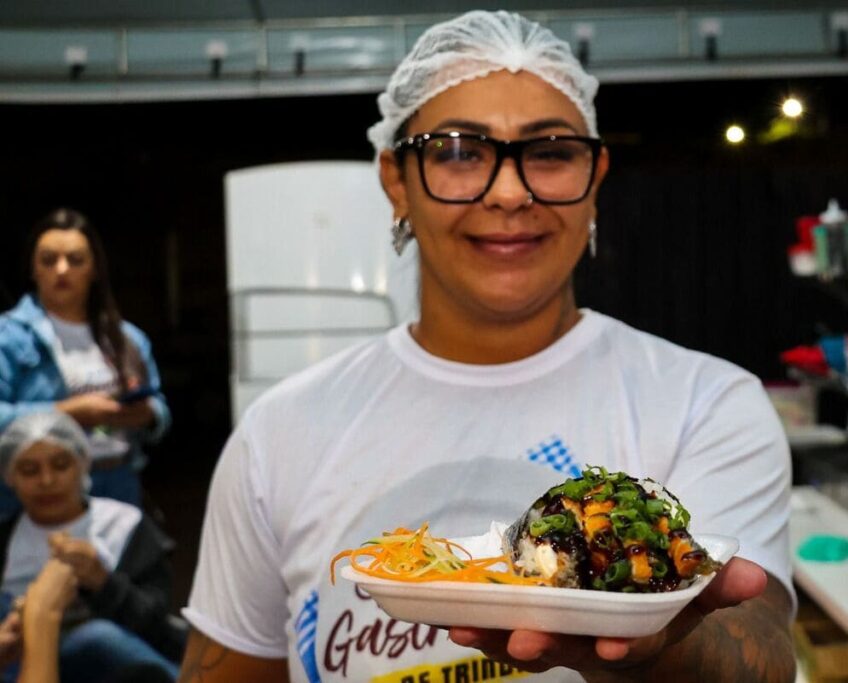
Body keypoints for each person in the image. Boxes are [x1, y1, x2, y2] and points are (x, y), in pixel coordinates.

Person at [181, 10, 796, 683]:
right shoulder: (281, 432)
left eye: (550, 151)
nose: (508, 192)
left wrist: (657, 644)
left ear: (594, 177)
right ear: (397, 180)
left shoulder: (706, 405)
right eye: (458, 151)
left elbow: (759, 647)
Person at [0, 208, 171, 513]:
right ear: (33, 269)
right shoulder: (9, 336)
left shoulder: (126, 338)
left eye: (75, 260)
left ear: (94, 269)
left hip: (119, 481)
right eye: (48, 260)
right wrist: (69, 413)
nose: (61, 269)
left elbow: (159, 406)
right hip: (42, 494)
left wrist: (145, 414)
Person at [0, 412, 180, 683]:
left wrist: (103, 582)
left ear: (83, 463)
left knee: (98, 639)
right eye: (29, 470)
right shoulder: (6, 538)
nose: (47, 481)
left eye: (61, 465)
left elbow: (161, 629)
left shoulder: (125, 526)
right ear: (9, 476)